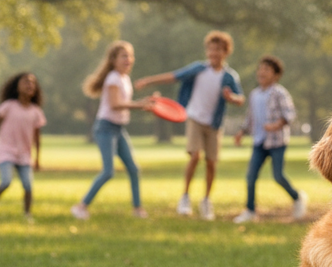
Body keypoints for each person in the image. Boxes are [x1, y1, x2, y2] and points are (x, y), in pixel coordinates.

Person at [136, 30, 245, 220]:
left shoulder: (229, 76)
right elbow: (174, 76)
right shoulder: (198, 69)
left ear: (225, 52)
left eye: (217, 50)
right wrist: (149, 81)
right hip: (194, 117)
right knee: (195, 156)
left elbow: (240, 99)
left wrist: (231, 98)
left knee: (211, 162)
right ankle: (185, 197)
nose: (213, 54)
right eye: (210, 50)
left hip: (214, 123)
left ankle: (206, 201)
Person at [71, 41, 156, 220]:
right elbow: (115, 104)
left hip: (118, 129)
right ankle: (80, 207)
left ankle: (137, 209)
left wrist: (145, 101)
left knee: (133, 168)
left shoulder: (125, 79)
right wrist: (140, 105)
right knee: (108, 171)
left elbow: (124, 102)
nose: (129, 59)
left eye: (130, 55)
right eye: (124, 56)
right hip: (105, 128)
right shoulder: (113, 78)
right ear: (113, 60)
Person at [232, 56, 308, 224]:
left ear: (276, 75)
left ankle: (297, 198)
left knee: (278, 175)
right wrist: (241, 132)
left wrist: (276, 125)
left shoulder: (279, 92)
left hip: (276, 142)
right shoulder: (254, 94)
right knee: (251, 177)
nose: (262, 72)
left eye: (267, 69)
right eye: (260, 69)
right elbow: (250, 118)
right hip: (259, 142)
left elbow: (289, 114)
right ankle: (250, 211)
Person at [0, 72, 46, 222]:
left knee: (28, 186)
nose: (29, 85)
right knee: (6, 181)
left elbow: (37, 137)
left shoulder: (36, 112)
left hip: (24, 154)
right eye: (25, 82)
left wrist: (37, 158)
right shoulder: (8, 106)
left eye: (32, 83)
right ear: (16, 87)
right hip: (6, 150)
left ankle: (27, 214)